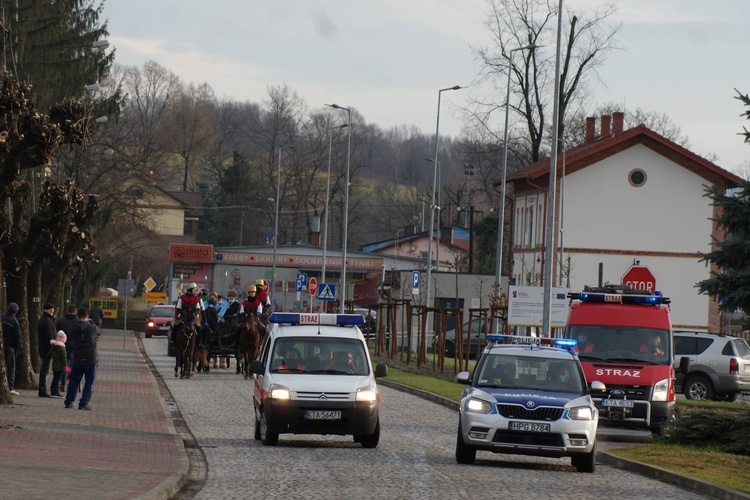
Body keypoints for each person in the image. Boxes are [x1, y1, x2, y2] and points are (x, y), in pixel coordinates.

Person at [64, 307, 102, 410]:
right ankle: (84, 403)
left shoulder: (73, 326)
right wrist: (92, 322)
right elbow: (99, 332)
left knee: (74, 381)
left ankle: (69, 401)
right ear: (87, 316)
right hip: (91, 358)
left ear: (77, 315)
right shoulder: (92, 327)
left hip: (77, 357)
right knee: (89, 382)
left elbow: (70, 337)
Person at [55, 305, 78, 393]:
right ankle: (72, 385)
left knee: (64, 366)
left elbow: (56, 331)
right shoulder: (77, 321)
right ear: (75, 312)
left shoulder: (61, 321)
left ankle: (62, 384)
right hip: (74, 347)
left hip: (62, 346)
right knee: (72, 367)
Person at [37, 303, 56, 397]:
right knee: (44, 371)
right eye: (52, 309)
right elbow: (49, 336)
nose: (53, 311)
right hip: (46, 349)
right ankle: (42, 390)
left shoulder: (44, 319)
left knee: (44, 370)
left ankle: (42, 389)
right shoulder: (47, 321)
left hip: (43, 347)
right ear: (49, 310)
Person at [2, 302, 21, 395]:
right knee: (10, 367)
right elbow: (17, 337)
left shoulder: (1, 317)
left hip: (2, 345)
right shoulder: (15, 322)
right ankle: (10, 387)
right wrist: (15, 346)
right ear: (16, 311)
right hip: (9, 347)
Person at [49, 331, 69, 398]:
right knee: (57, 380)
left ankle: (53, 391)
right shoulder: (62, 348)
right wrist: (65, 365)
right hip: (60, 367)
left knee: (55, 379)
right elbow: (64, 358)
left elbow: (49, 354)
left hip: (54, 365)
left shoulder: (53, 347)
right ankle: (56, 392)